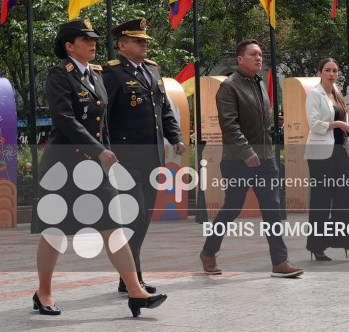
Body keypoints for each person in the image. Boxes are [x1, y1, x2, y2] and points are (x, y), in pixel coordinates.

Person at [34, 19, 167, 318]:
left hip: (95, 167)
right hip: (63, 166)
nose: (93, 43)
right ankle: (43, 292)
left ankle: (135, 292)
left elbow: (103, 122)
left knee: (113, 227)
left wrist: (107, 154)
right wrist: (100, 150)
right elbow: (65, 120)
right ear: (69, 46)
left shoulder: (96, 75)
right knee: (55, 232)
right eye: (86, 39)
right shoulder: (59, 75)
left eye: (94, 38)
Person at [199, 39, 303, 278]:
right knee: (232, 208)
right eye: (253, 54)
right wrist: (247, 152)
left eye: (260, 54)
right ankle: (208, 251)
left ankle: (280, 261)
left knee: (272, 209)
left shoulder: (259, 83)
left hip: (266, 159)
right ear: (240, 59)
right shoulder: (229, 87)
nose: (259, 58)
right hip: (237, 161)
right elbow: (229, 125)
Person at [103, 18, 186, 294]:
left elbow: (163, 110)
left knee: (144, 217)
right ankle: (132, 279)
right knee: (134, 216)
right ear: (122, 46)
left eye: (145, 40)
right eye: (138, 41)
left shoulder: (152, 70)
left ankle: (129, 278)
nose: (144, 44)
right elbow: (103, 117)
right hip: (125, 158)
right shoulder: (111, 73)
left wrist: (175, 138)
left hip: (152, 156)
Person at [305, 57, 349, 261]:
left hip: (340, 150)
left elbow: (343, 124)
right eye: (327, 70)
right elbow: (314, 124)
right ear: (319, 72)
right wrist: (338, 124)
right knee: (321, 200)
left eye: (334, 70)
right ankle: (317, 246)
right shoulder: (314, 94)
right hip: (320, 154)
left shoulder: (338, 94)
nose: (332, 74)